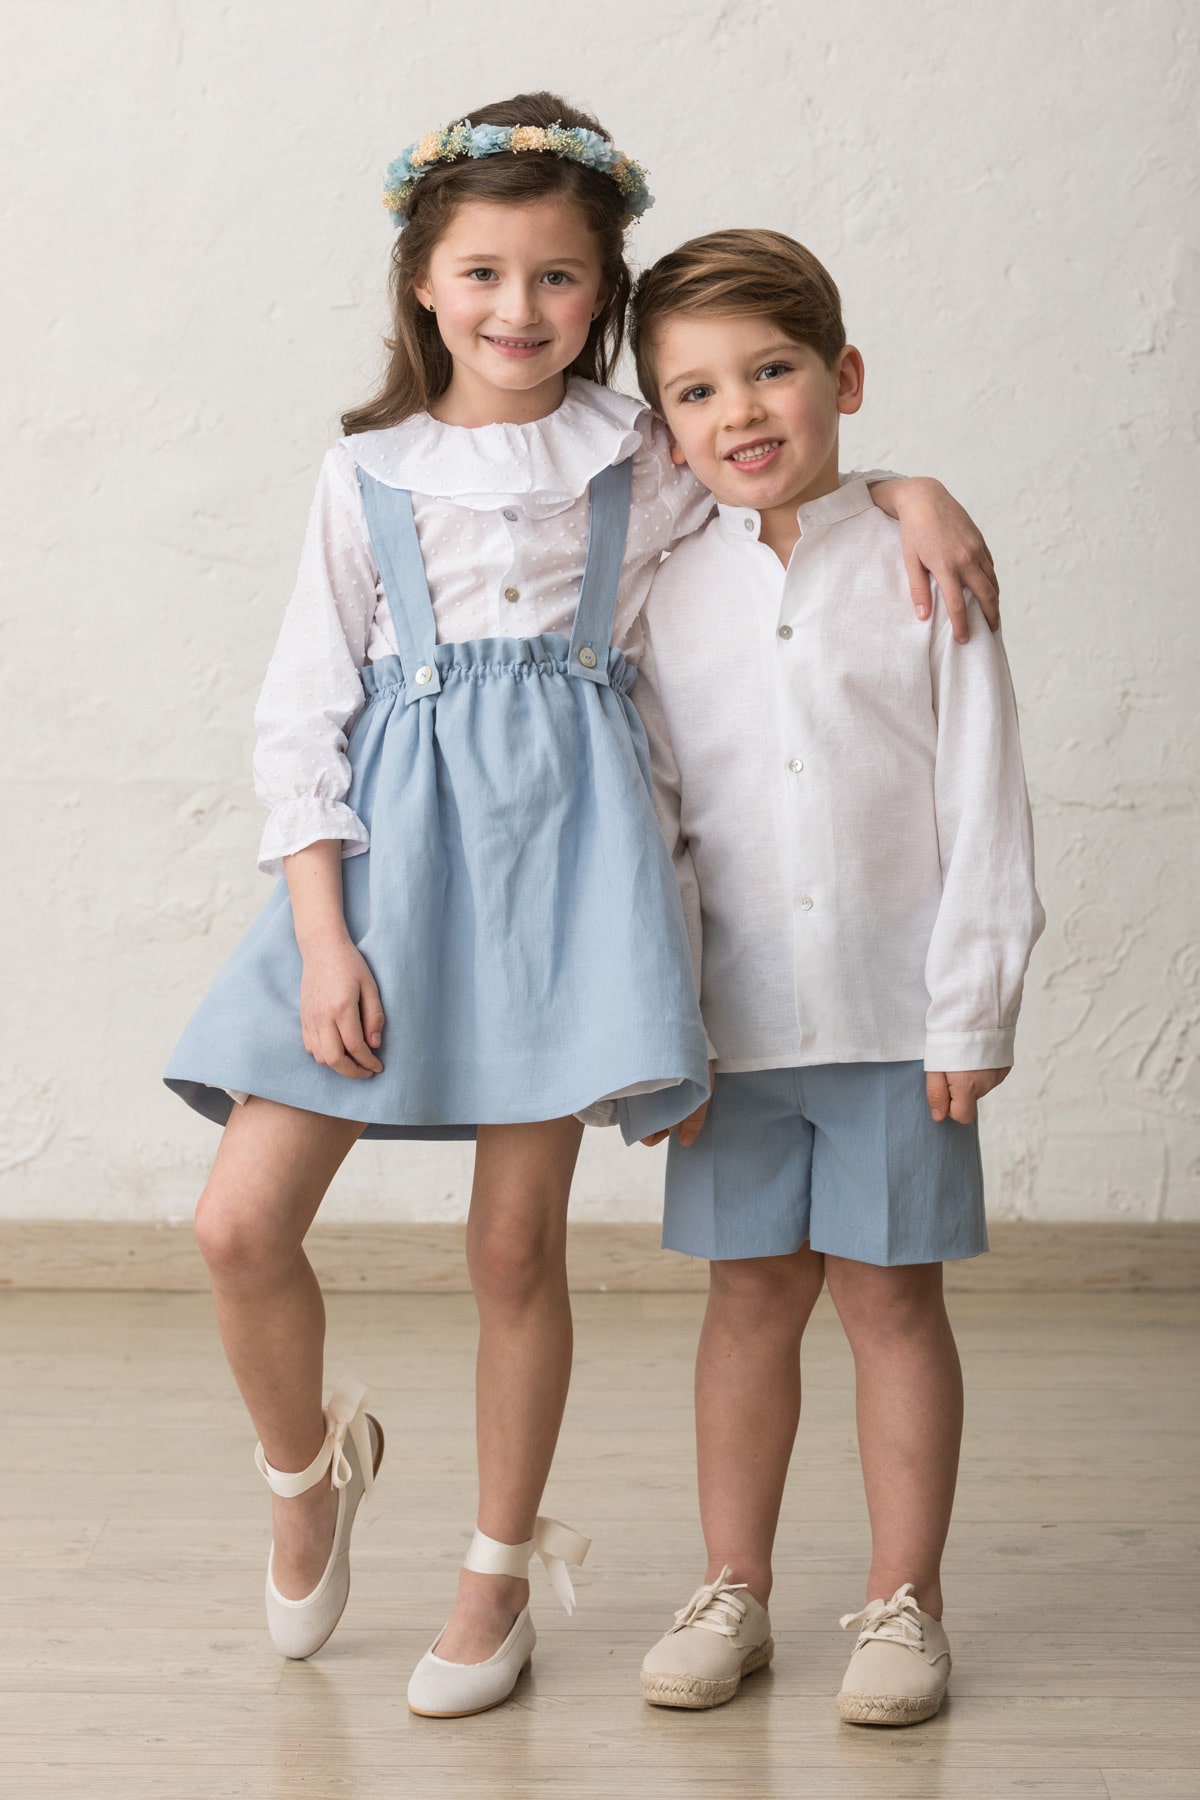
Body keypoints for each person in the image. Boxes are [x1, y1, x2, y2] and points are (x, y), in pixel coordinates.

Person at [163, 95, 1000, 1720]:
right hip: (386, 874)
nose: (519, 310)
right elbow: (299, 716)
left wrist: (908, 486)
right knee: (238, 1222)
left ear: (600, 289)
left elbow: (777, 484)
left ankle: (495, 1572)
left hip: (565, 879)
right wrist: (324, 934)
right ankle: (306, 1467)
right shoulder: (365, 477)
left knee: (512, 1247)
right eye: (483, 272)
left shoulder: (633, 455)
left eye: (559, 278)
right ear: (421, 283)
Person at [628, 229, 1044, 1724]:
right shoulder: (661, 587)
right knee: (748, 1298)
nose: (738, 411)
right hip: (730, 1032)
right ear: (660, 427)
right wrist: (661, 1030)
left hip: (894, 1017)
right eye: (692, 391)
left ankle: (904, 1602)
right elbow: (657, 823)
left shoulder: (924, 559)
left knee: (890, 1301)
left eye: (772, 369)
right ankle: (733, 1585)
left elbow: (984, 790)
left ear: (843, 376)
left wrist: (973, 1002)